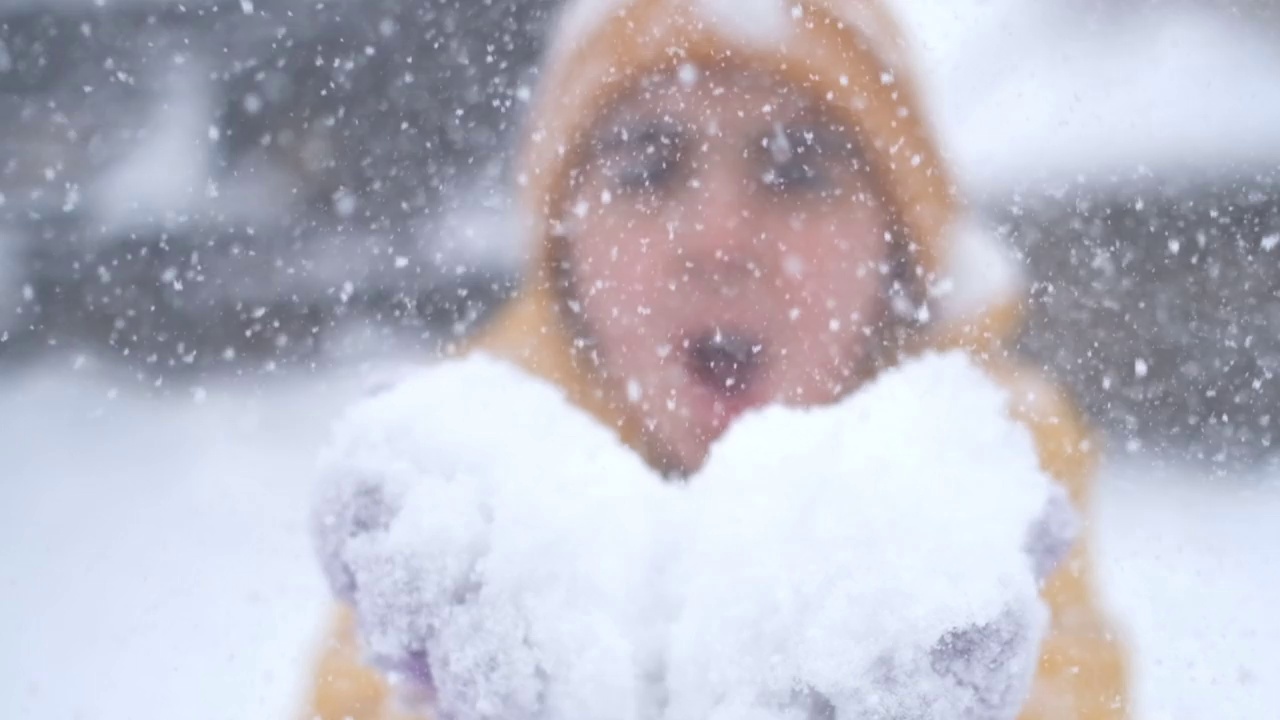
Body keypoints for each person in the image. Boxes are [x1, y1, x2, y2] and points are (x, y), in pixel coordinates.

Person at [303, 0, 1129, 717]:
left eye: (798, 172)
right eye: (648, 171)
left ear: (899, 249)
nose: (719, 240)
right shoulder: (459, 494)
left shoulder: (991, 482)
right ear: (564, 253)